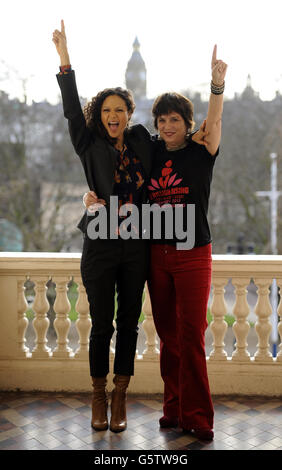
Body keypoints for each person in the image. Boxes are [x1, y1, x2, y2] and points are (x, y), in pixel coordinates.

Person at [84, 45, 227, 441]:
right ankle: (174, 408)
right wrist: (90, 195)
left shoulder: (202, 152)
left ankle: (198, 415)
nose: (167, 126)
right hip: (155, 255)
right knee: (167, 336)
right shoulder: (152, 151)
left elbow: (214, 123)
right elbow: (113, 166)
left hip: (193, 252)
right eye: (162, 120)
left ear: (188, 122)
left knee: (191, 335)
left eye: (175, 120)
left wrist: (217, 85)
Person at [52, 20, 153, 433]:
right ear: (101, 115)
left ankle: (120, 394)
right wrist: (64, 59)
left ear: (129, 113)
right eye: (107, 110)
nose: (114, 116)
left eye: (120, 110)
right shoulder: (88, 143)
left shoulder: (144, 140)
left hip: (136, 244)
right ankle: (97, 395)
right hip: (100, 242)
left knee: (129, 322)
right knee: (101, 323)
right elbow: (72, 108)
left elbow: (179, 141)